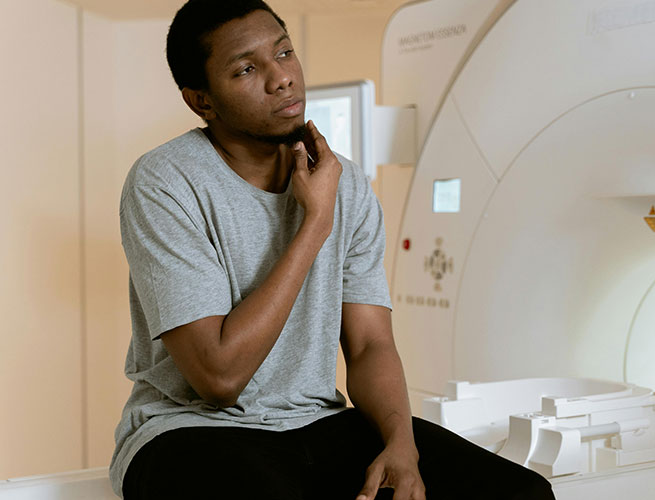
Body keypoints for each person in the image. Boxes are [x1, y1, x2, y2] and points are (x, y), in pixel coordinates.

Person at [110, 1, 556, 499]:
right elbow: (219, 375)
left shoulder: (348, 183)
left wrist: (401, 445)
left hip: (318, 422)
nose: (281, 78)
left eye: (284, 52)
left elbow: (369, 345)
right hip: (188, 432)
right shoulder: (164, 182)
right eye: (247, 69)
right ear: (202, 101)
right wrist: (315, 221)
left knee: (524, 493)